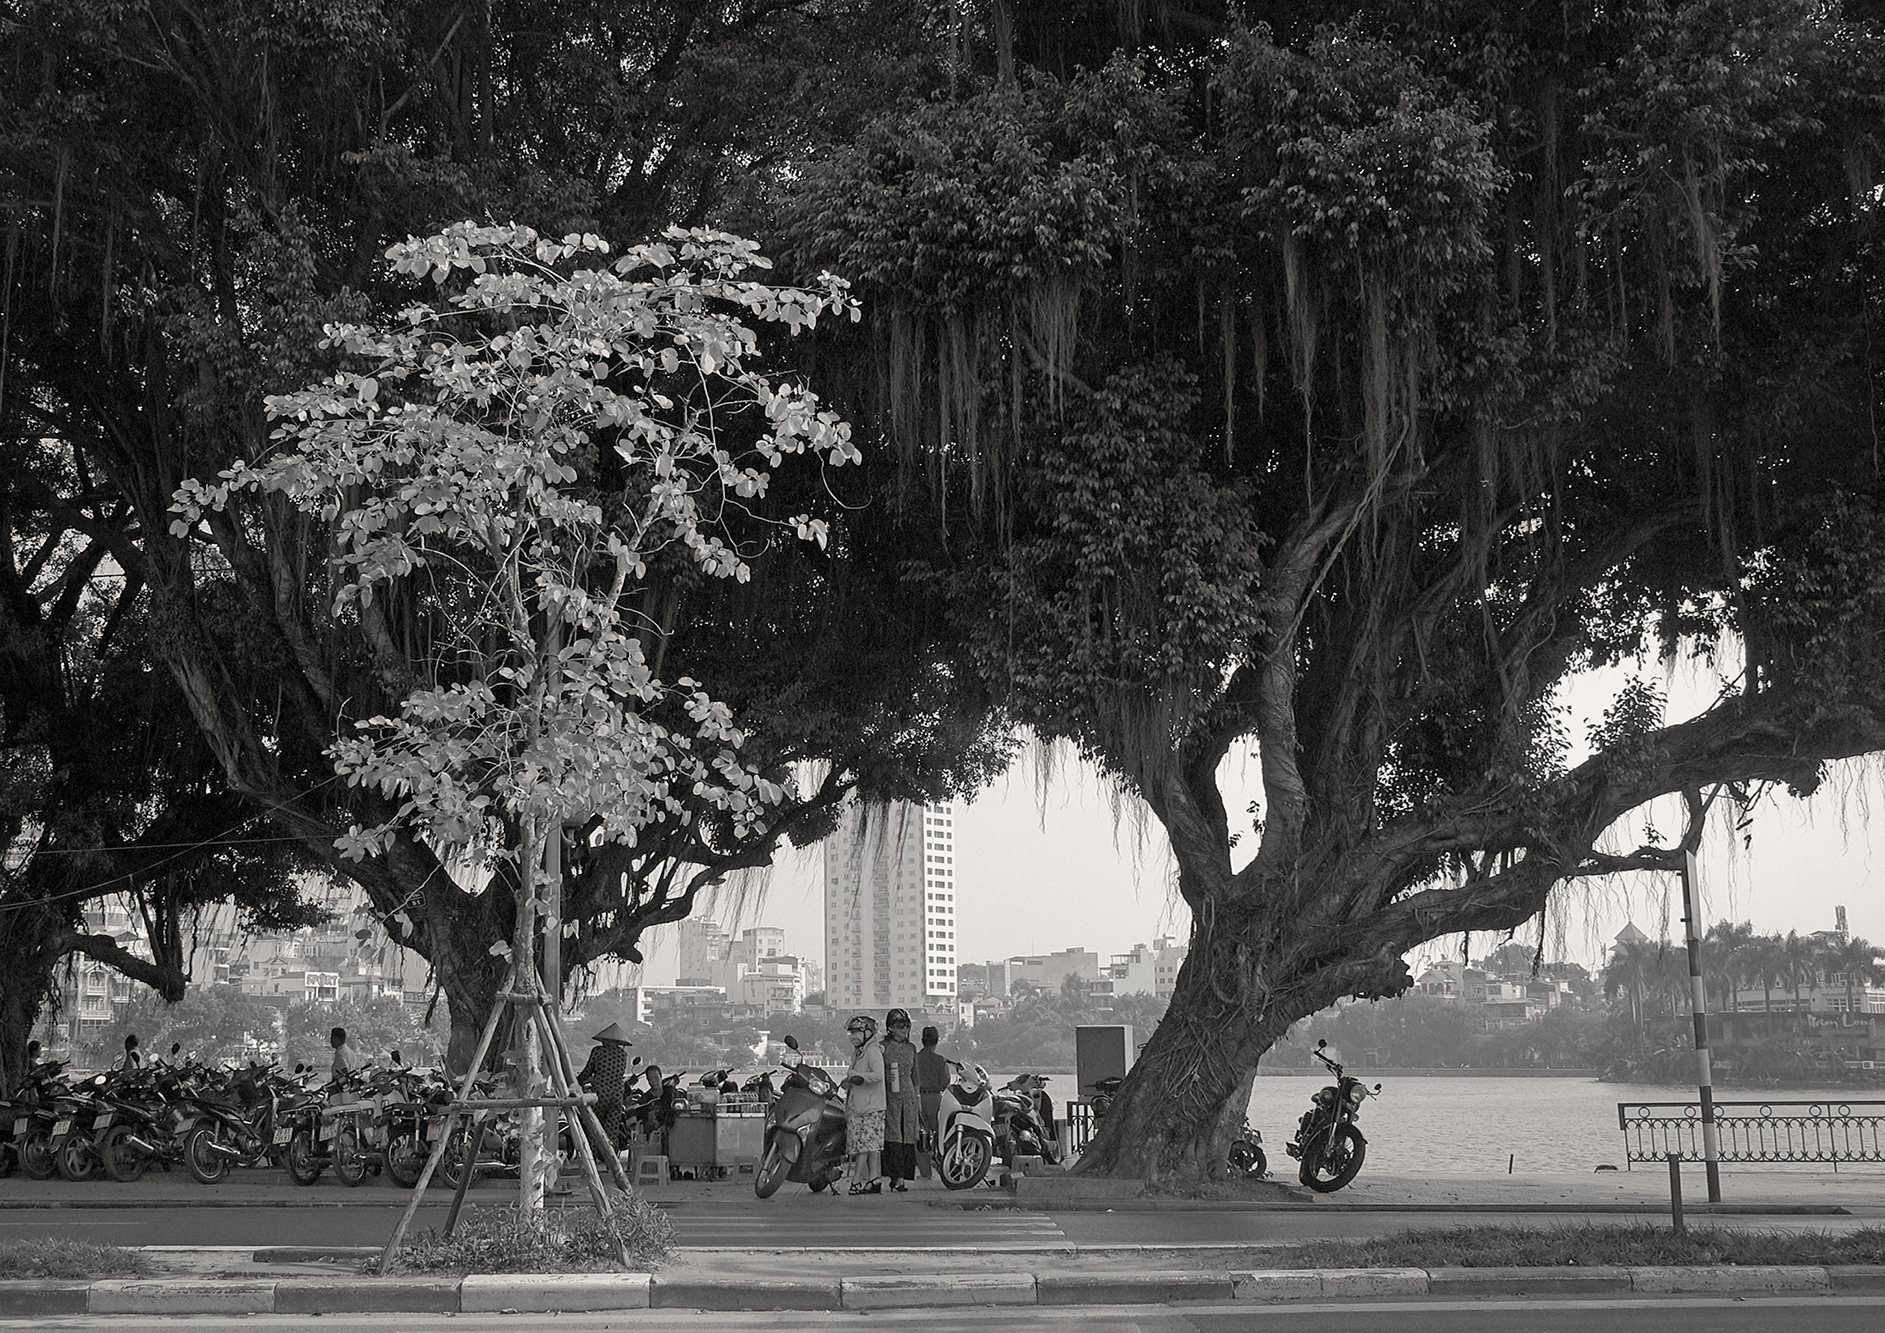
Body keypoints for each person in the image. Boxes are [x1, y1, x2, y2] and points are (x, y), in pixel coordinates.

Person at [841, 1013, 885, 1194]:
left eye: (857, 1032)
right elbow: (854, 1075)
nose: (853, 1037)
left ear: (868, 1032)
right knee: (871, 1146)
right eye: (851, 1033)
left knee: (863, 1147)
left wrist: (859, 1078)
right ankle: (874, 1179)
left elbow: (878, 1075)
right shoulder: (858, 1054)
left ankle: (856, 1180)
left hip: (870, 1107)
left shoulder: (873, 1052)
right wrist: (849, 1081)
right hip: (859, 1106)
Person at [576, 1023, 634, 1153]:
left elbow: (587, 1072)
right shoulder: (623, 1055)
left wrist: (575, 1082)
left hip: (600, 1095)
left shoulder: (598, 1051)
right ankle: (611, 1159)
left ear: (605, 1040)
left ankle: (592, 1156)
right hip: (617, 1097)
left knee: (595, 1127)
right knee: (612, 1130)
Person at [880, 1008, 920, 1192]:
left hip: (909, 1096)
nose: (904, 1030)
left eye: (906, 1026)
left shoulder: (912, 1048)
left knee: (907, 1135)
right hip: (890, 1096)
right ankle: (896, 1177)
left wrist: (917, 1100)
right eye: (900, 1026)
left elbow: (916, 1076)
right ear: (890, 1028)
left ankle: (903, 1175)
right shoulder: (882, 1047)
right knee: (893, 1134)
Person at [915, 1026, 949, 1177]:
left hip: (918, 1098)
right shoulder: (941, 1060)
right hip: (935, 1098)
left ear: (922, 1041)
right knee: (938, 1133)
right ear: (936, 1041)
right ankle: (940, 1164)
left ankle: (925, 1172)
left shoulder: (914, 1058)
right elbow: (946, 1081)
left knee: (920, 1134)